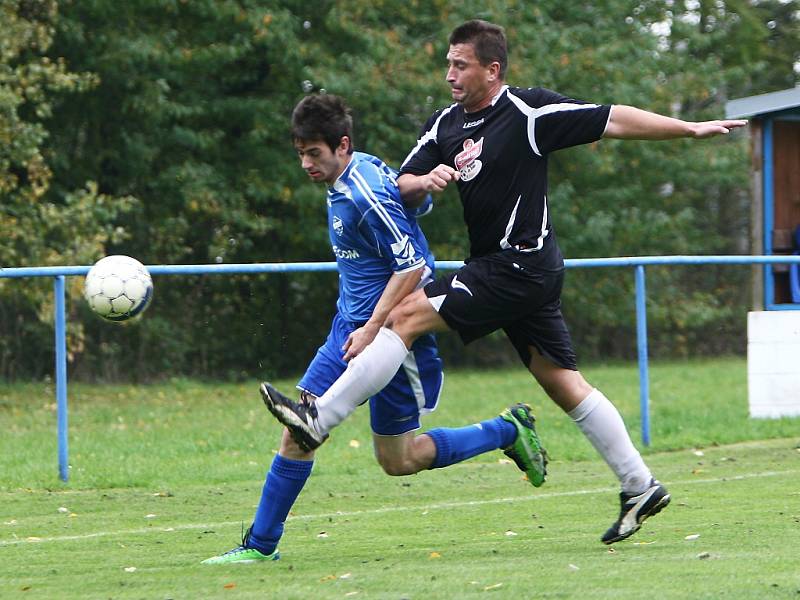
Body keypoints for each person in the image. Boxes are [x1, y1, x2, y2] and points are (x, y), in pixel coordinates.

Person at [262, 21, 748, 545]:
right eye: (448, 63)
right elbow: (399, 183)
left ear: (492, 70)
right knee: (563, 383)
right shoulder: (445, 124)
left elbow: (610, 119)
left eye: (460, 65)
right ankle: (639, 484)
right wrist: (424, 181)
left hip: (518, 265)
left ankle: (319, 416)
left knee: (403, 316)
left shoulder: (528, 113)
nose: (449, 74)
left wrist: (688, 128)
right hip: (510, 272)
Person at [202, 93, 547, 564]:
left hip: (389, 339)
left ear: (342, 145)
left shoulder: (362, 191)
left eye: (314, 154)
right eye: (300, 152)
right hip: (347, 329)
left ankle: (505, 431)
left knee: (399, 460)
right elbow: (410, 210)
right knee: (300, 432)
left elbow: (412, 266)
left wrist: (372, 328)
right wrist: (422, 183)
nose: (305, 163)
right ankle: (260, 547)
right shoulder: (355, 172)